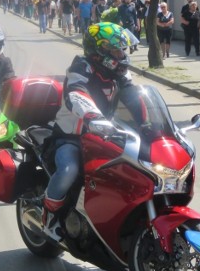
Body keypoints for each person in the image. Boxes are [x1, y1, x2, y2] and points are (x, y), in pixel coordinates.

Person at [43, 22, 133, 241]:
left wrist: (152, 121)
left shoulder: (119, 73)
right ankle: (49, 216)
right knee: (69, 169)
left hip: (105, 135)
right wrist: (93, 117)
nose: (120, 55)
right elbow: (76, 92)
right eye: (114, 50)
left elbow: (135, 98)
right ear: (98, 51)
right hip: (72, 136)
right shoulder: (81, 67)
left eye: (122, 50)